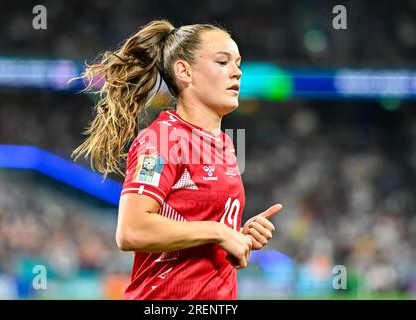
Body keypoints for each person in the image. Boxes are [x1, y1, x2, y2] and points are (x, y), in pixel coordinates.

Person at [72, 20, 282, 299]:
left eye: (238, 63)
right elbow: (131, 230)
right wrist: (219, 231)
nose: (237, 72)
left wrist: (238, 238)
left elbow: (193, 242)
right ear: (184, 71)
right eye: (223, 62)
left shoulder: (225, 145)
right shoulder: (161, 141)